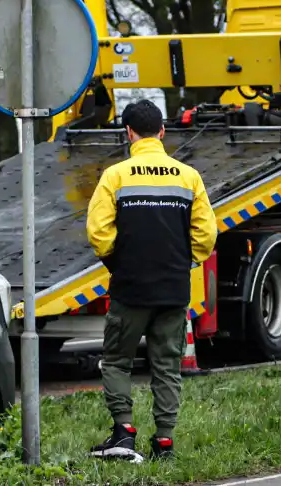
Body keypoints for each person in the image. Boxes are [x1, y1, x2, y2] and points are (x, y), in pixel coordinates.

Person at [85, 99, 218, 461]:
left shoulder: (115, 176)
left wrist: (119, 263)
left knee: (116, 361)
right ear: (162, 131)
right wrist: (183, 262)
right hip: (174, 290)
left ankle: (123, 434)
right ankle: (164, 442)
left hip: (130, 289)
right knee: (166, 367)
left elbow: (98, 232)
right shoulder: (188, 177)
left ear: (128, 133)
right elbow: (206, 236)